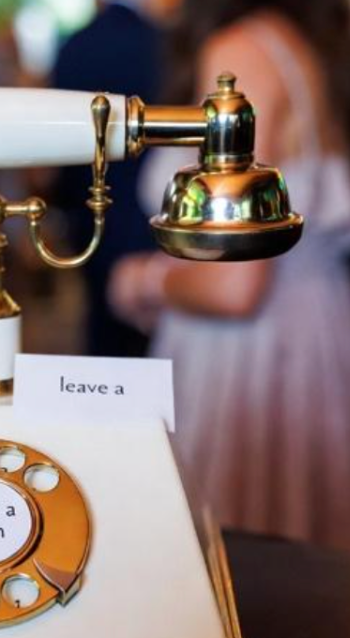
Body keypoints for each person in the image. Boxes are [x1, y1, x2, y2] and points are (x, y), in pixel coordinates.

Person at [108, 0, 350, 548]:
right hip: (318, 336)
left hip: (247, 357)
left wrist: (142, 281)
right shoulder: (305, 44)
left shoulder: (240, 52)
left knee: (231, 558)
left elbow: (234, 284)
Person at [52, 0, 171, 358]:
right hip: (155, 216)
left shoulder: (75, 46)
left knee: (103, 333)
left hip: (91, 211)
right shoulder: (161, 43)